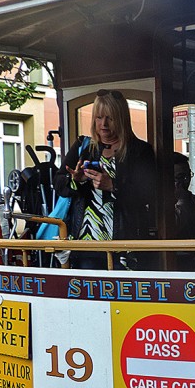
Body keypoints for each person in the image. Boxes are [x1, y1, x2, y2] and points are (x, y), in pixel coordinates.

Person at [54, 89, 157, 270]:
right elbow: (59, 185)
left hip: (125, 247)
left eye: (110, 118)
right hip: (86, 244)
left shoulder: (140, 150)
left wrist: (113, 186)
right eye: (99, 118)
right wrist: (76, 181)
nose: (104, 125)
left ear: (122, 119)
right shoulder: (83, 146)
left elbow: (149, 194)